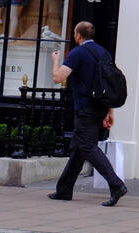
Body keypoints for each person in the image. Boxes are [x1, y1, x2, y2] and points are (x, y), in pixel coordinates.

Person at [48, 21, 128, 206]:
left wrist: (55, 61)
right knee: (78, 148)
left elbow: (58, 77)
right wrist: (109, 112)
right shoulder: (103, 52)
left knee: (89, 147)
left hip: (85, 108)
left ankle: (116, 185)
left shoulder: (77, 53)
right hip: (100, 107)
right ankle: (64, 190)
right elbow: (107, 83)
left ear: (78, 35)